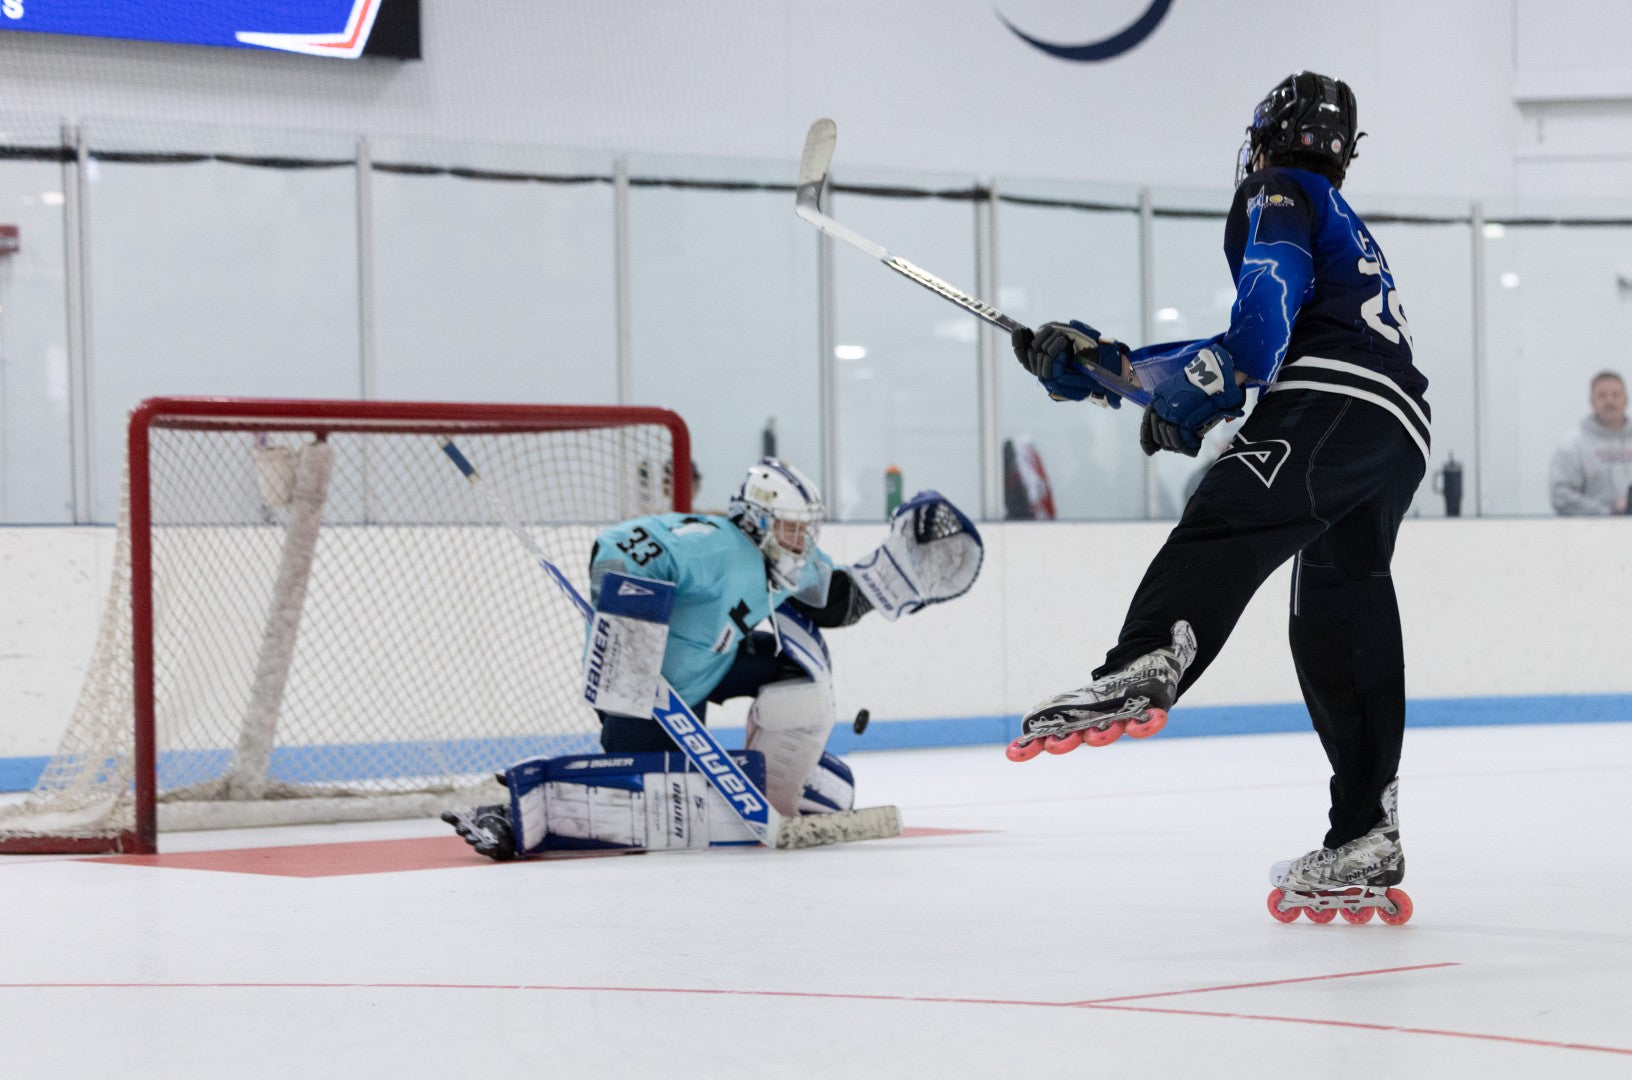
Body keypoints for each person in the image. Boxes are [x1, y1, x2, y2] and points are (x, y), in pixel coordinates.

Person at [1008, 72, 1429, 924]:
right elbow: (1245, 344)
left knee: (1225, 516)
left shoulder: (1278, 189)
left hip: (1331, 403)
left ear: (1266, 137)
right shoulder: (1339, 217)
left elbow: (1265, 308)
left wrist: (1222, 376)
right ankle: (1365, 830)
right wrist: (1100, 367)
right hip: (1396, 430)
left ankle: (1147, 658)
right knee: (1339, 618)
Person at [445, 457, 983, 859]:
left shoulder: (783, 559)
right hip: (641, 687)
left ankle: (777, 799)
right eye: (792, 528)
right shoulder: (717, 548)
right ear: (757, 521)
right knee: (642, 798)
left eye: (806, 529)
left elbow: (833, 599)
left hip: (710, 667)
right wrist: (632, 631)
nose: (801, 541)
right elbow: (619, 545)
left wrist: (896, 578)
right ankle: (508, 817)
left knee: (799, 682)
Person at [1549, 370, 1631, 515]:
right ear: (1592, 401)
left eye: (1615, 395)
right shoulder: (1572, 446)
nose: (1610, 401)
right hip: (1591, 528)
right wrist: (1610, 511)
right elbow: (1560, 497)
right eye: (1602, 396)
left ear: (1626, 399)